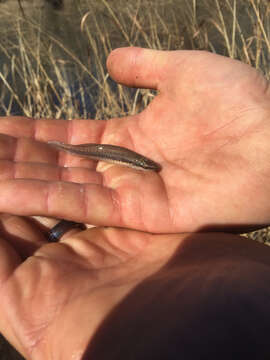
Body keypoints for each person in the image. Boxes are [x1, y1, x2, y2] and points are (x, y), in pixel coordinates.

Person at [0, 47, 269, 359]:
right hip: (94, 148)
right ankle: (61, 145)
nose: (147, 169)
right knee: (71, 150)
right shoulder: (128, 160)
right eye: (145, 167)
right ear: (139, 166)